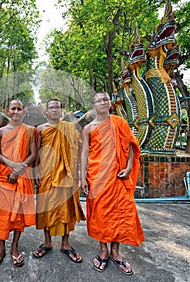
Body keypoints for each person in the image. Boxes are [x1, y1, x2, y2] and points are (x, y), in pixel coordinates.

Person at [80, 92, 145, 275]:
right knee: (101, 215)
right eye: (99, 100)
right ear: (93, 105)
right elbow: (85, 153)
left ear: (110, 104)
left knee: (120, 214)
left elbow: (131, 145)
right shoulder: (89, 129)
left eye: (106, 100)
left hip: (118, 177)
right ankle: (103, 251)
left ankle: (115, 252)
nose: (103, 102)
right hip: (97, 178)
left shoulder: (119, 123)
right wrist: (82, 177)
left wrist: (129, 167)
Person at [33, 99, 85, 263]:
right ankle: (47, 242)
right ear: (45, 112)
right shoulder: (40, 129)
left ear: (61, 110)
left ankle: (65, 243)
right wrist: (35, 172)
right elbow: (36, 153)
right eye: (51, 107)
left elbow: (78, 150)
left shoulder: (70, 128)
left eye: (58, 106)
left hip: (66, 175)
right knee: (46, 208)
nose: (55, 110)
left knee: (65, 208)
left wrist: (78, 174)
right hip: (46, 174)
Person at [0, 99, 37, 270]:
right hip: (4, 178)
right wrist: (11, 165)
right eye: (13, 109)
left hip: (22, 176)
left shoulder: (30, 131)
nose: (16, 112)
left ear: (24, 112)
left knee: (19, 214)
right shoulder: (0, 132)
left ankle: (15, 247)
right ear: (8, 111)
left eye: (19, 109)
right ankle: (1, 248)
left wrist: (19, 169)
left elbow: (33, 154)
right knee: (3, 214)